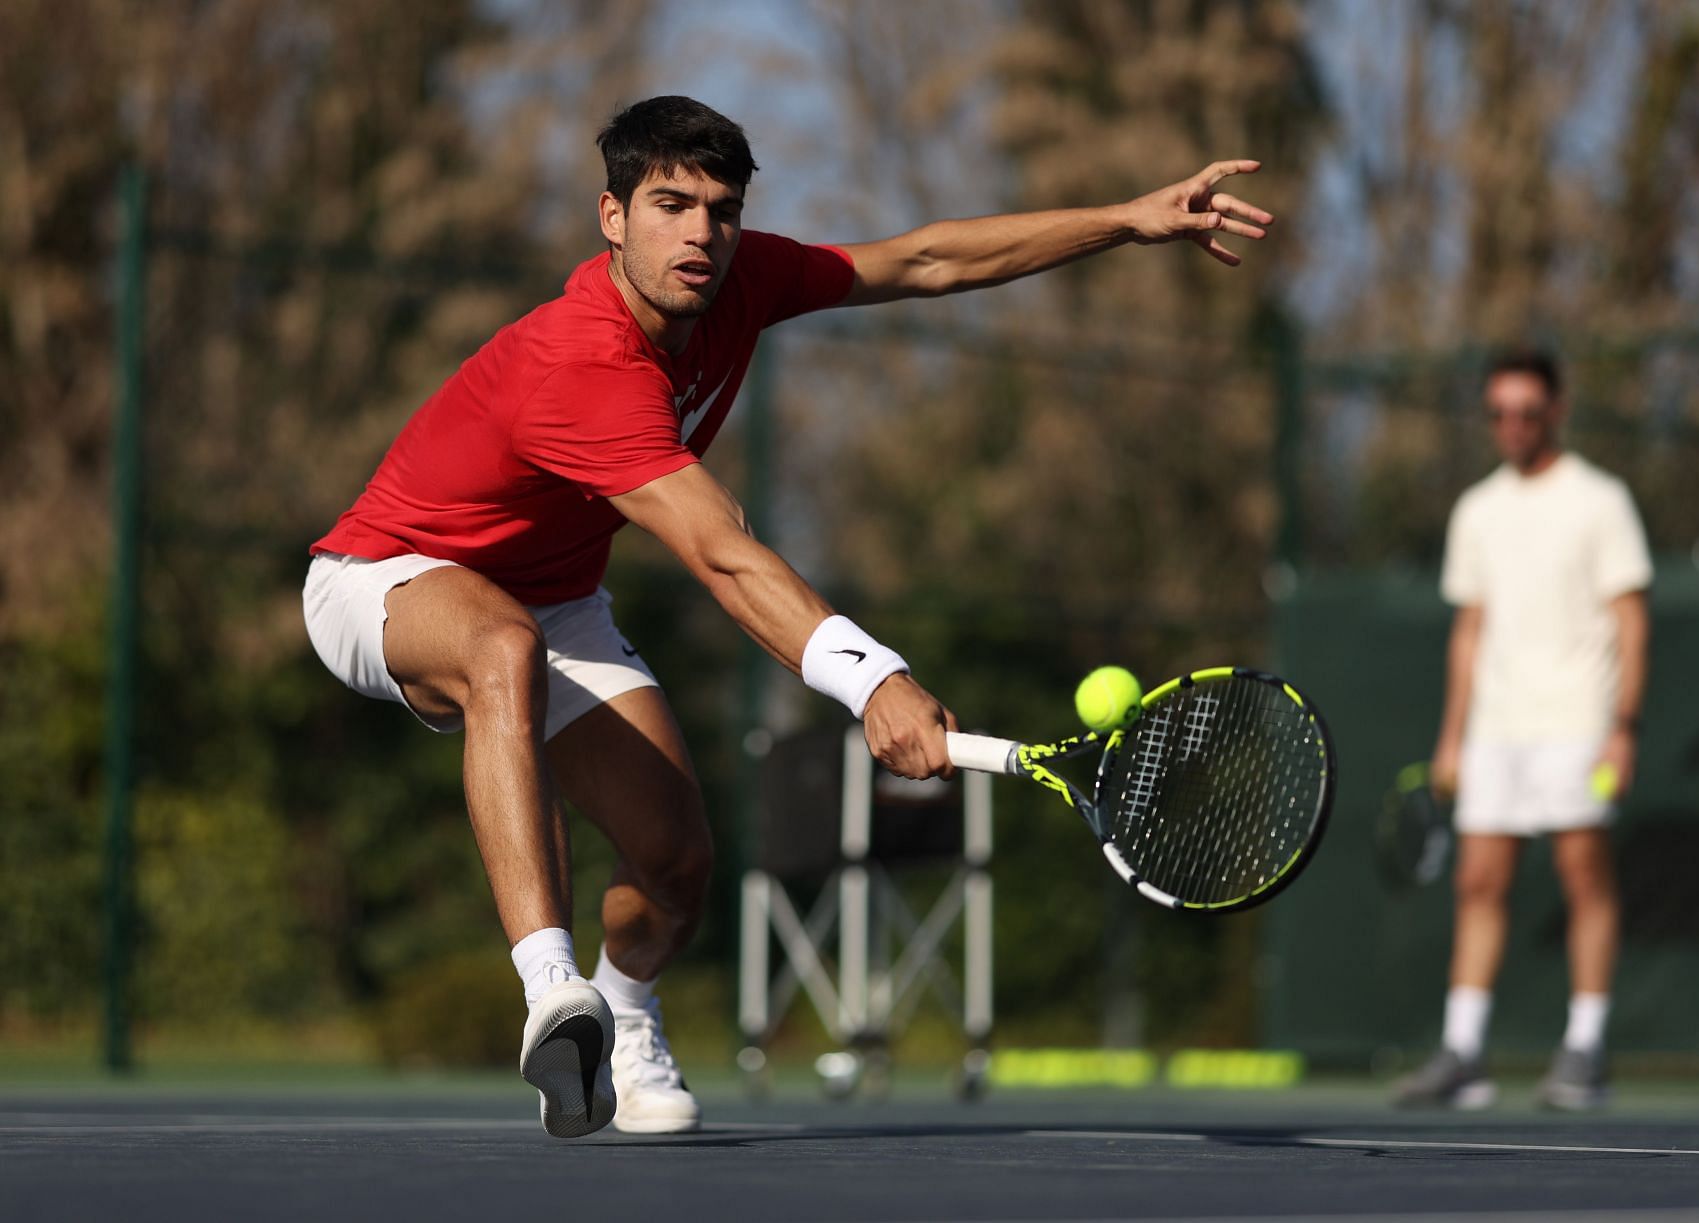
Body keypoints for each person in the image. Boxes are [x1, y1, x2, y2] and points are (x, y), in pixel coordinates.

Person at [302, 95, 1273, 1138]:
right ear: (612, 216)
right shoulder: (579, 364)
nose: (700, 232)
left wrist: (1126, 218)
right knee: (502, 645)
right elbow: (721, 552)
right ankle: (552, 994)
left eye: (720, 209)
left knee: (677, 865)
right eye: (669, 204)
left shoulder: (740, 280)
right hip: (387, 577)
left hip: (556, 600)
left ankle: (621, 1016)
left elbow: (929, 260)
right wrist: (872, 678)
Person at [1394, 349, 1651, 1112]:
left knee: (1583, 877)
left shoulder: (1601, 500)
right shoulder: (1476, 509)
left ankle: (1585, 1048)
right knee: (1478, 882)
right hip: (1495, 730)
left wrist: (1623, 727)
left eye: (1527, 411)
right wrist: (1451, 737)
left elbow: (1632, 625)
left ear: (1556, 411)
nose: (1512, 425)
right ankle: (1464, 1052)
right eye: (1498, 412)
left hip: (1579, 720)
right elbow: (1468, 631)